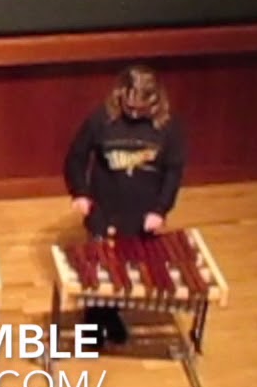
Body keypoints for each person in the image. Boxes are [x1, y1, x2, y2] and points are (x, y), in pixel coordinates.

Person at [64, 64, 186, 345]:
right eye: (128, 106)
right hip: (104, 210)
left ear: (155, 101)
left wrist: (160, 209)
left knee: (127, 270)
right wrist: (80, 193)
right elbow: (75, 157)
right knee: (99, 273)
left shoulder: (169, 127)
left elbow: (173, 172)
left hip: (142, 214)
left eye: (139, 109)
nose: (132, 113)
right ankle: (92, 330)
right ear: (120, 95)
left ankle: (111, 315)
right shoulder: (101, 119)